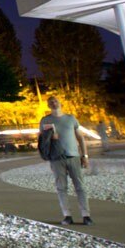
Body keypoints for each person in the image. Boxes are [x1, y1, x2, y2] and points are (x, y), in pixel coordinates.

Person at [39, 96, 92, 225]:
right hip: (56, 158)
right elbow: (41, 140)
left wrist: (84, 156)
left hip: (73, 156)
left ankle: (86, 215)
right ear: (48, 105)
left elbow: (80, 138)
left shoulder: (70, 118)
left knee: (80, 186)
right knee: (61, 187)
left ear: (60, 103)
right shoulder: (45, 120)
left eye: (55, 100)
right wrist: (50, 139)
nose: (53, 103)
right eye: (50, 102)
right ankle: (67, 215)